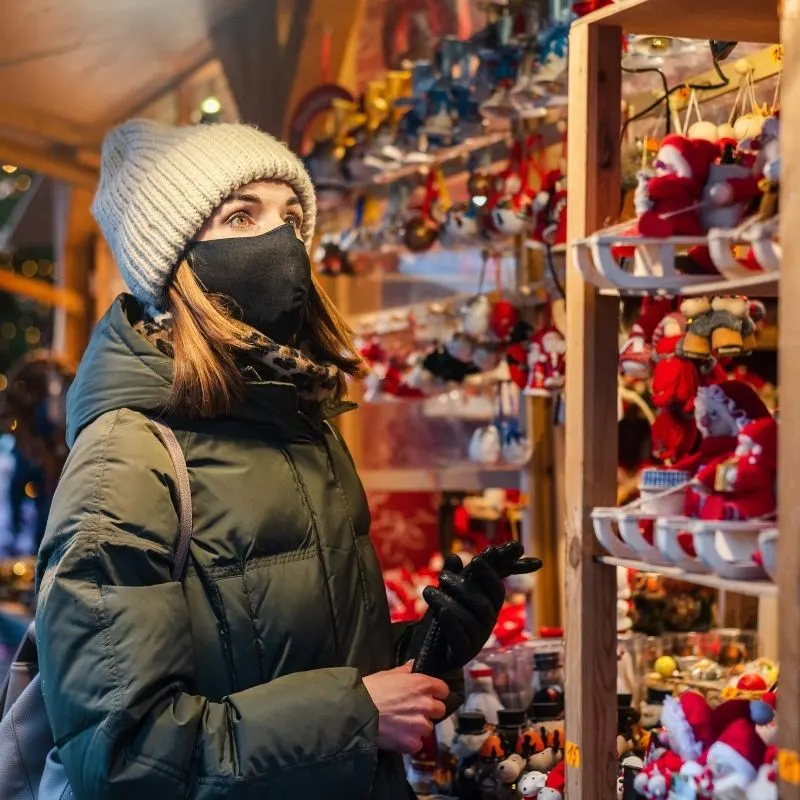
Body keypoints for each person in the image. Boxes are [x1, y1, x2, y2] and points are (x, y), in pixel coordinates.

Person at [34, 119, 540, 800]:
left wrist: (428, 648)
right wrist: (356, 715)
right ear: (173, 263)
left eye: (293, 216)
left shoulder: (301, 423)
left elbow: (297, 666)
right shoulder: (125, 460)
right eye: (241, 215)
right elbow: (124, 760)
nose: (281, 241)